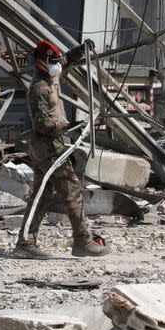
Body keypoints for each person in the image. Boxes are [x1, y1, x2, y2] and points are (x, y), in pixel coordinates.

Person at [13, 39, 110, 259]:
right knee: (72, 190)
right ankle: (83, 242)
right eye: (52, 61)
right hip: (48, 145)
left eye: (56, 61)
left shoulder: (52, 73)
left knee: (42, 193)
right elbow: (42, 124)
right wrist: (68, 126)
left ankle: (25, 242)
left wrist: (80, 49)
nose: (57, 64)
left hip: (44, 146)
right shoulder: (39, 88)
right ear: (40, 62)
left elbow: (67, 60)